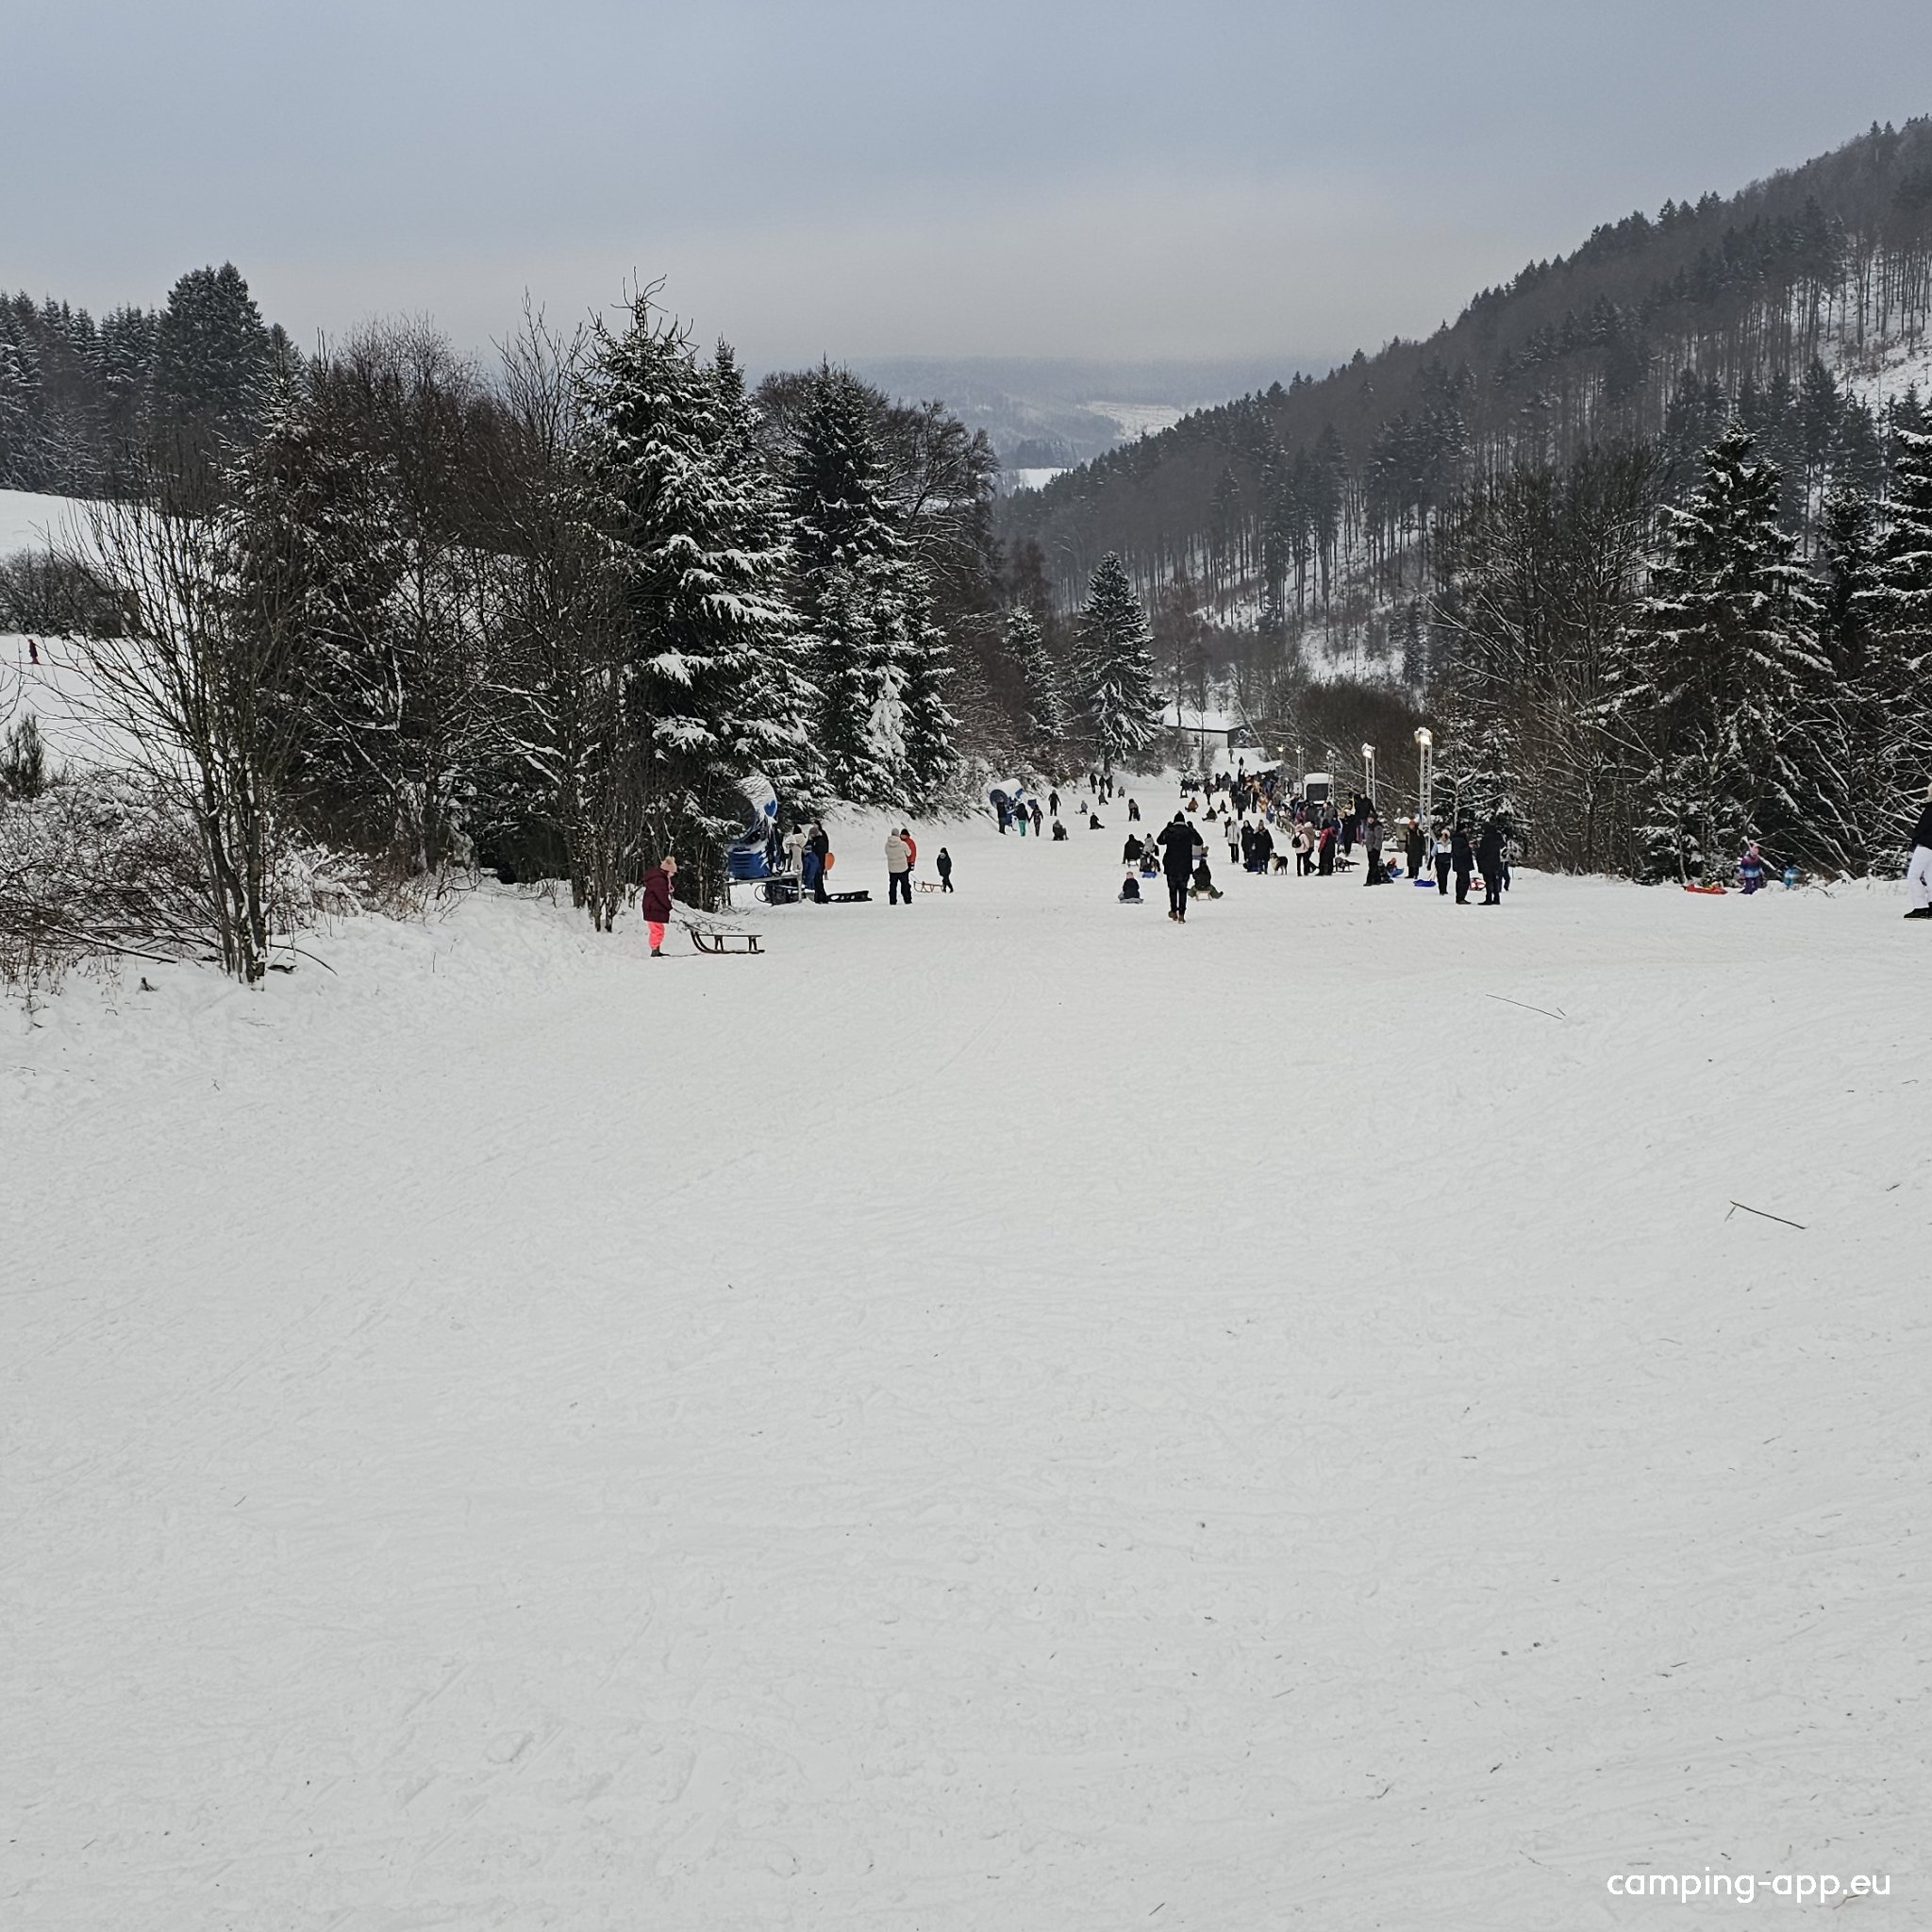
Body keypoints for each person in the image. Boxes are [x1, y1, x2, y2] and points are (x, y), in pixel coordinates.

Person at [1158, 810, 1195, 922]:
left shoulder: (1170, 831)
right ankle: (1182, 914)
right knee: (1183, 890)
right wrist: (1192, 828)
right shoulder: (1188, 832)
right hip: (1185, 866)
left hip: (1171, 866)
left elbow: (1160, 841)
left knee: (1172, 890)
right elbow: (1199, 841)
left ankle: (1174, 911)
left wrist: (1166, 828)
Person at [640, 854, 676, 957]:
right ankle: (655, 950)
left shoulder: (659, 878)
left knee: (657, 929)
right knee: (657, 930)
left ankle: (656, 949)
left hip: (653, 908)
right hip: (654, 908)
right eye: (672, 872)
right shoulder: (659, 880)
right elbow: (661, 895)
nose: (673, 875)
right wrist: (668, 906)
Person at [1906, 784, 1932, 918]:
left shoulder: (1929, 810)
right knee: (1930, 876)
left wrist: (1914, 837)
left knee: (1913, 875)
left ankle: (1921, 907)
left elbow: (1922, 829)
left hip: (1926, 845)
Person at [1476, 819, 1506, 905]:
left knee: (1488, 881)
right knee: (1494, 880)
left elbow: (1482, 851)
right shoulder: (1497, 837)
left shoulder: (1486, 839)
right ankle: (1496, 898)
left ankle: (1489, 898)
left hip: (1486, 862)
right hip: (1495, 862)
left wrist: (1479, 859)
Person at [886, 827, 912, 904]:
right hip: (902, 868)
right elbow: (909, 853)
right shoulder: (903, 844)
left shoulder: (887, 844)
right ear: (898, 835)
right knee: (905, 885)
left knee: (893, 885)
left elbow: (886, 852)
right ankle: (907, 900)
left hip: (892, 868)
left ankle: (892, 900)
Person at [808, 823, 832, 904]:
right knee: (817, 882)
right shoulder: (817, 841)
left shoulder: (819, 842)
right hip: (818, 865)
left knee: (818, 882)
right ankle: (819, 897)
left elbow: (820, 854)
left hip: (819, 865)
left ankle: (822, 898)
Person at [1452, 822, 1474, 904]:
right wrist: (1468, 848)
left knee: (1460, 880)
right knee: (1464, 881)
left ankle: (1460, 897)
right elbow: (1458, 852)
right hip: (1461, 863)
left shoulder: (1460, 838)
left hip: (1461, 863)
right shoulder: (1458, 839)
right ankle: (1461, 897)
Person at [1363, 814, 1385, 886]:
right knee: (1373, 864)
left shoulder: (1377, 827)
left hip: (1374, 848)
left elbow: (1379, 838)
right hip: (1369, 848)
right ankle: (1377, 879)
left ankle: (1369, 880)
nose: (1370, 820)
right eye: (1369, 818)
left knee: (1373, 865)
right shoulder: (1369, 827)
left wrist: (1375, 848)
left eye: (1371, 819)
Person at [1432, 824, 1452, 895]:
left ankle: (1444, 889)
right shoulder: (1437, 843)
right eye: (1442, 835)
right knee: (1440, 876)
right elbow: (1433, 853)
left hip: (1447, 862)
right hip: (1439, 862)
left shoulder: (1450, 844)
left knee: (1445, 876)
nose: (1444, 837)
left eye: (1445, 835)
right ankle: (1441, 889)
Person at [1405, 819, 1425, 883]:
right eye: (1410, 825)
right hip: (1410, 849)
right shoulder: (1408, 833)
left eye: (1412, 825)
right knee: (1410, 861)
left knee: (1416, 862)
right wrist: (1406, 848)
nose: (1411, 826)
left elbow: (1422, 841)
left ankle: (1415, 874)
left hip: (1417, 849)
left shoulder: (1418, 832)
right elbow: (1407, 841)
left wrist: (1423, 849)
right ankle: (1410, 874)